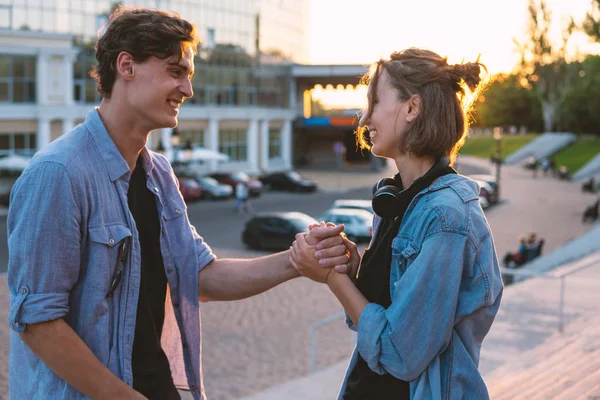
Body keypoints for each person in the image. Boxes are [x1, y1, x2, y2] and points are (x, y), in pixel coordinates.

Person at [6, 8, 351, 400]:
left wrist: (296, 260)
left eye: (188, 74)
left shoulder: (159, 176)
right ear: (126, 66)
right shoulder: (58, 173)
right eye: (175, 71)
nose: (187, 89)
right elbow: (38, 323)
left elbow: (199, 274)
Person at [289, 48, 504, 399]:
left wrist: (332, 278)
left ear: (411, 108)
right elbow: (380, 316)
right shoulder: (393, 202)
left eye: (374, 102)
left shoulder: (445, 216)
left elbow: (400, 354)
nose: (364, 118)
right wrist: (352, 271)